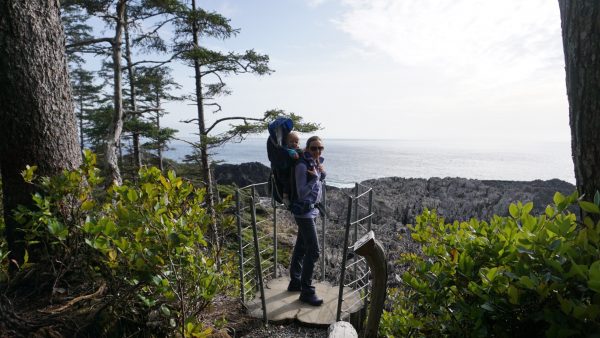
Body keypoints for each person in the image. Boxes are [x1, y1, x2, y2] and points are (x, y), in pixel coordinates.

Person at [287, 135, 326, 306]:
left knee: (302, 246)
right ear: (307, 148)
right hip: (303, 213)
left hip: (312, 211)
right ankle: (307, 291)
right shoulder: (302, 165)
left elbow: (317, 187)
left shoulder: (315, 164)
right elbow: (302, 192)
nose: (317, 151)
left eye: (320, 148)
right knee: (314, 250)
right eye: (314, 148)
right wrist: (315, 179)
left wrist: (320, 175)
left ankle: (295, 281)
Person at [281, 131, 302, 205]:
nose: (294, 143)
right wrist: (294, 154)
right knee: (287, 183)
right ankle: (285, 196)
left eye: (296, 142)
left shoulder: (298, 149)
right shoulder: (288, 150)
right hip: (287, 171)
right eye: (291, 141)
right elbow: (291, 152)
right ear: (287, 142)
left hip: (294, 170)